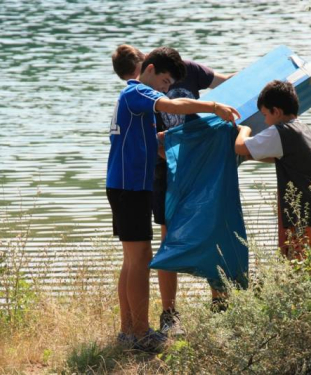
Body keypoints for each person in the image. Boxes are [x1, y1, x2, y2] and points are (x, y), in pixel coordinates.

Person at [107, 46, 239, 352]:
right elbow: (174, 105)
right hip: (130, 187)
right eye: (165, 81)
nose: (165, 89)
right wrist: (213, 106)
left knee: (132, 261)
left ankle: (128, 331)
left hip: (125, 185)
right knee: (139, 261)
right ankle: (141, 334)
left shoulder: (132, 99)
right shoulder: (138, 91)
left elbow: (148, 141)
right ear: (149, 68)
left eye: (168, 85)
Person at [235, 80, 311, 258]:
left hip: (310, 217)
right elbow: (282, 157)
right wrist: (251, 154)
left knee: (309, 272)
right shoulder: (301, 128)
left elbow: (240, 147)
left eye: (265, 115)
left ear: (276, 111)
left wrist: (244, 129)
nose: (265, 121)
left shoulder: (280, 131)